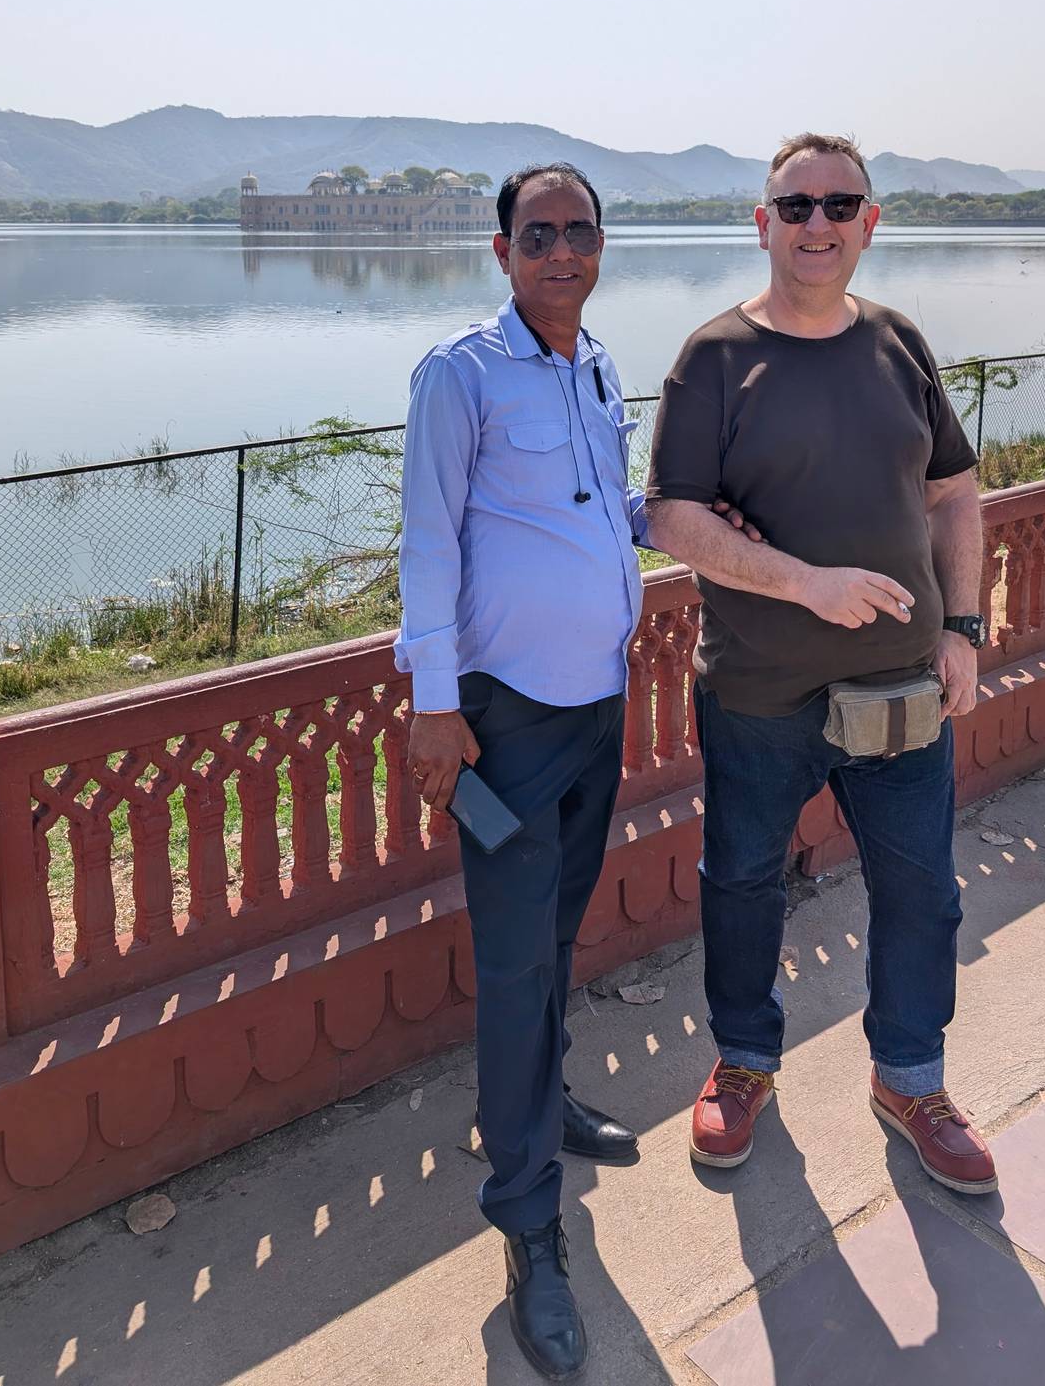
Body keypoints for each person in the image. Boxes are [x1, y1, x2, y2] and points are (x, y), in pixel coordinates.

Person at [645, 132, 997, 1197]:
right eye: (795, 206)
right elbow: (672, 517)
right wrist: (807, 583)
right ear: (762, 224)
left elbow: (953, 492)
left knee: (922, 891)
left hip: (901, 686)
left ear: (869, 224)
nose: (817, 223)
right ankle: (744, 1062)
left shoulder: (898, 342)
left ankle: (912, 1080)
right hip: (759, 691)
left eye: (840, 205)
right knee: (744, 884)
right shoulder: (713, 358)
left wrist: (964, 628)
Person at [395, 162, 647, 1381]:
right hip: (503, 725)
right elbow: (428, 537)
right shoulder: (461, 372)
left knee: (555, 928)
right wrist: (434, 704)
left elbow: (598, 506)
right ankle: (528, 1222)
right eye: (536, 233)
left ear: (601, 245)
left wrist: (681, 520)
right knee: (512, 960)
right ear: (501, 250)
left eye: (577, 231)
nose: (559, 250)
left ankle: (540, 1105)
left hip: (597, 707)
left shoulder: (596, 365)